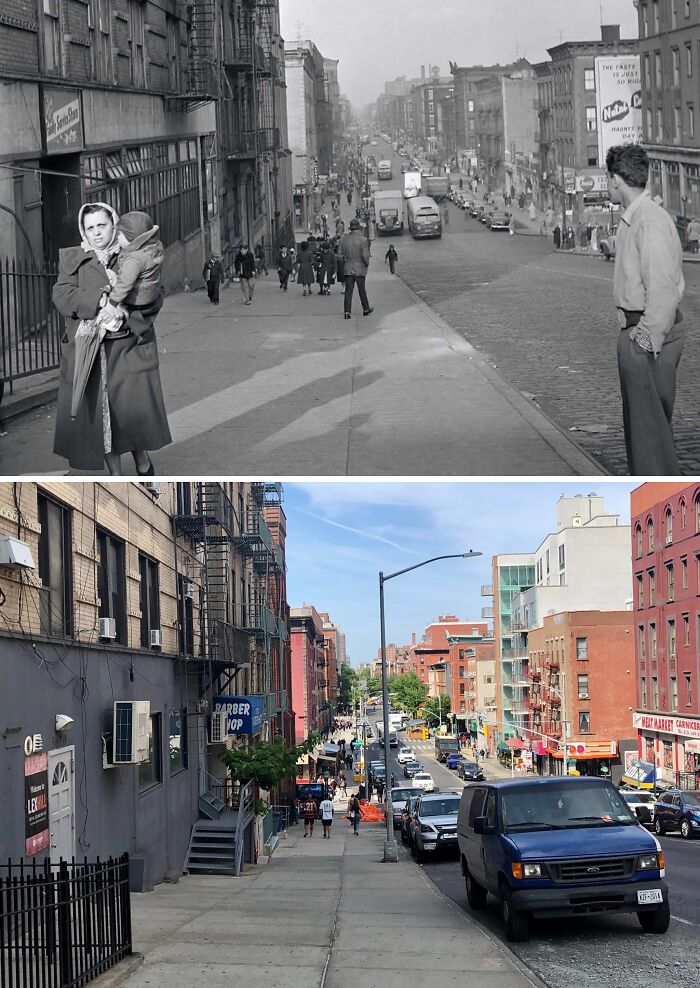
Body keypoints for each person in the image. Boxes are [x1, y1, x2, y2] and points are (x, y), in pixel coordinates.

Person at [52, 201, 171, 475]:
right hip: (90, 352)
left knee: (129, 413)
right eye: (89, 227)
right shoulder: (74, 259)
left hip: (126, 347)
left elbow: (155, 295)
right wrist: (99, 300)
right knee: (101, 416)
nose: (96, 233)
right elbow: (62, 295)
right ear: (83, 230)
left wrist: (127, 316)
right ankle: (115, 474)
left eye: (102, 225)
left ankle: (142, 461)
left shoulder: (133, 253)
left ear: (113, 225)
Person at [606, 143, 685, 474]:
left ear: (616, 180)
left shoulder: (648, 222)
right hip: (641, 335)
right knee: (647, 438)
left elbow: (663, 289)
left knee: (651, 446)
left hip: (649, 338)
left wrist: (642, 341)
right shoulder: (637, 218)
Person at [338, 218, 373, 319]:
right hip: (360, 267)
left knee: (349, 291)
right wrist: (367, 264)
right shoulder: (363, 240)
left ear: (350, 228)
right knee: (362, 289)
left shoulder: (343, 239)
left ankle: (347, 312)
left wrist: (346, 261)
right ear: (359, 228)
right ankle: (365, 308)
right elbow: (365, 256)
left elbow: (339, 256)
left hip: (348, 267)